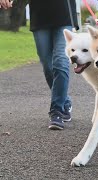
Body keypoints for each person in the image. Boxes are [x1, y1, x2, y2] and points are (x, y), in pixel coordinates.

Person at [0, 0, 79, 130]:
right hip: (40, 17)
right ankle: (64, 101)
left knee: (60, 61)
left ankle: (56, 111)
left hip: (64, 15)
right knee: (48, 67)